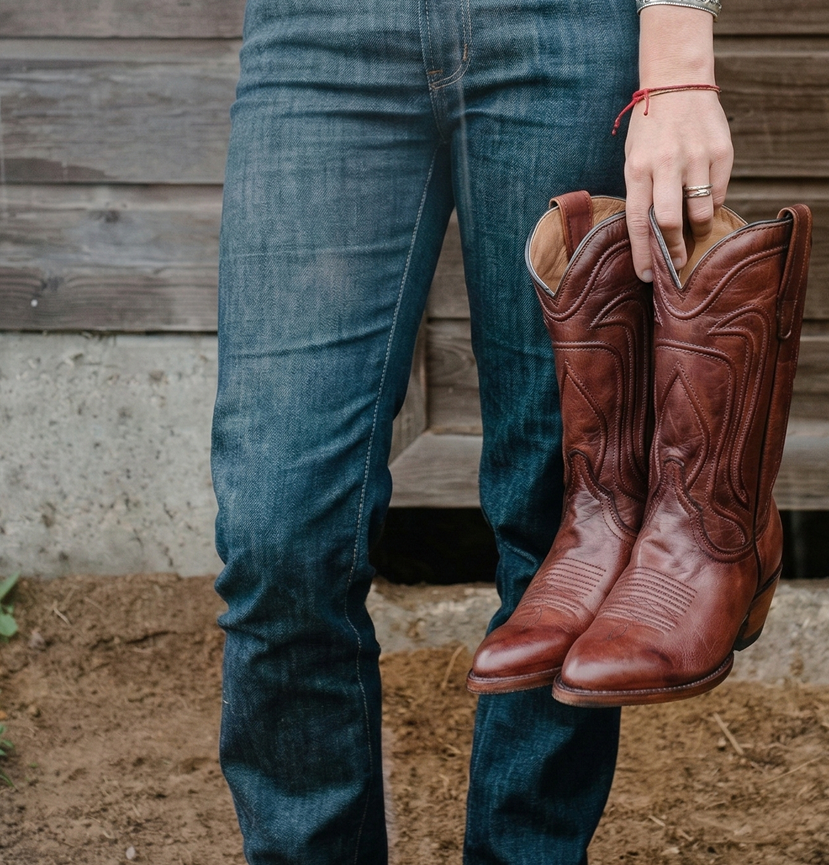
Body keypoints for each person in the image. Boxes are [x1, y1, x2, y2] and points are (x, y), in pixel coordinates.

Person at [210, 0, 734, 861]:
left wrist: (678, 50)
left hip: (565, 31)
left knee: (565, 520)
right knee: (279, 530)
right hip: (319, 40)